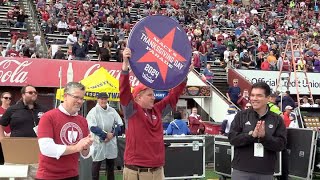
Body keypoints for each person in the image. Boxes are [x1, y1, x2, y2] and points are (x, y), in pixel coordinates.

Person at [119, 48, 189, 180]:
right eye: (149, 95)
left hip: (157, 170)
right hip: (136, 171)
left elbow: (173, 96)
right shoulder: (131, 110)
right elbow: (124, 91)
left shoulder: (157, 110)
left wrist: (182, 76)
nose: (153, 97)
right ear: (138, 97)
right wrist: (125, 66)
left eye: (154, 94)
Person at [228, 82, 287, 180]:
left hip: (265, 172)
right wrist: (251, 135)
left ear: (268, 98)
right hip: (241, 170)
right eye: (252, 95)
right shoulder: (241, 116)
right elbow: (232, 139)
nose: (254, 98)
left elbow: (281, 145)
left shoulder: (277, 119)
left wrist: (265, 137)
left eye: (259, 95)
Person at [36, 82, 94, 179]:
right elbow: (46, 148)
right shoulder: (48, 117)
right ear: (65, 96)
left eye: (82, 98)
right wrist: (76, 147)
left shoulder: (83, 121)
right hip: (49, 176)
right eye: (76, 97)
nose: (80, 101)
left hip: (73, 175)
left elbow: (86, 154)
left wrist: (86, 147)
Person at [86, 92, 123, 180]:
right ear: (98, 100)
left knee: (110, 165)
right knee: (96, 164)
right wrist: (105, 135)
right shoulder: (93, 111)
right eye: (101, 99)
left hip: (111, 141)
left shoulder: (112, 111)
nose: (103, 101)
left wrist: (112, 134)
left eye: (105, 99)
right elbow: (92, 127)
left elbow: (119, 124)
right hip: (98, 142)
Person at [0, 92, 12, 165]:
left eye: (10, 98)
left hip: (11, 138)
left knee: (9, 159)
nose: (8, 99)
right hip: (1, 138)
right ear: (1, 99)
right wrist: (3, 133)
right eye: (6, 98)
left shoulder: (13, 110)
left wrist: (11, 133)